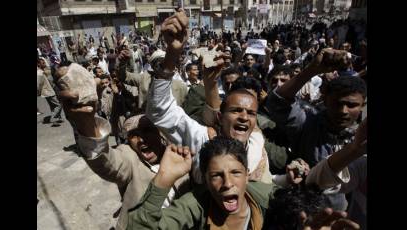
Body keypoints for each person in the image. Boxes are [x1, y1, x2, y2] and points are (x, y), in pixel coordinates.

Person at [145, 9, 273, 185]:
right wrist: (172, 54)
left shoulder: (258, 147)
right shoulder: (202, 139)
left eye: (250, 113)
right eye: (236, 111)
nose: (244, 117)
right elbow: (160, 111)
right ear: (220, 117)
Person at [126, 136, 359, 230]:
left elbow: (307, 191)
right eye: (216, 175)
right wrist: (163, 180)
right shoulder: (193, 206)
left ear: (247, 175)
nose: (228, 183)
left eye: (236, 173)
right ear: (205, 180)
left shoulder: (267, 198)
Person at [56, 70, 190, 230]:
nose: (141, 139)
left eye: (147, 130)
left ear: (159, 133)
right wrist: (86, 123)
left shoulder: (180, 153)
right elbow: (108, 162)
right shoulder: (129, 157)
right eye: (134, 135)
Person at [265, 48, 367, 211]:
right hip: (302, 212)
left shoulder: (361, 138)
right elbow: (277, 103)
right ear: (325, 101)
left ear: (362, 105)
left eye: (352, 105)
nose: (343, 111)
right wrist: (312, 70)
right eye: (337, 103)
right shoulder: (308, 122)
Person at [37, 58, 63, 126]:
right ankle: (53, 118)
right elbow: (38, 85)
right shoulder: (39, 73)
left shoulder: (43, 71)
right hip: (47, 92)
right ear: (38, 64)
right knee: (59, 104)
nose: (44, 64)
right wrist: (39, 92)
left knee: (53, 106)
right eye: (43, 63)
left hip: (49, 90)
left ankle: (57, 119)